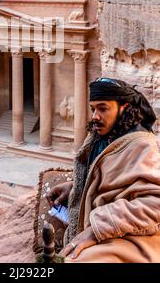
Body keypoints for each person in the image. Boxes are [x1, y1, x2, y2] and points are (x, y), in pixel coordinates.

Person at [47, 77, 160, 263]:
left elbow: (154, 203)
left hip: (129, 237)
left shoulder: (142, 145)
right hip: (103, 229)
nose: (95, 116)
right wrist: (76, 187)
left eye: (103, 108)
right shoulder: (103, 137)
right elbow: (112, 182)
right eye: (93, 109)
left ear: (123, 107)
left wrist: (96, 229)